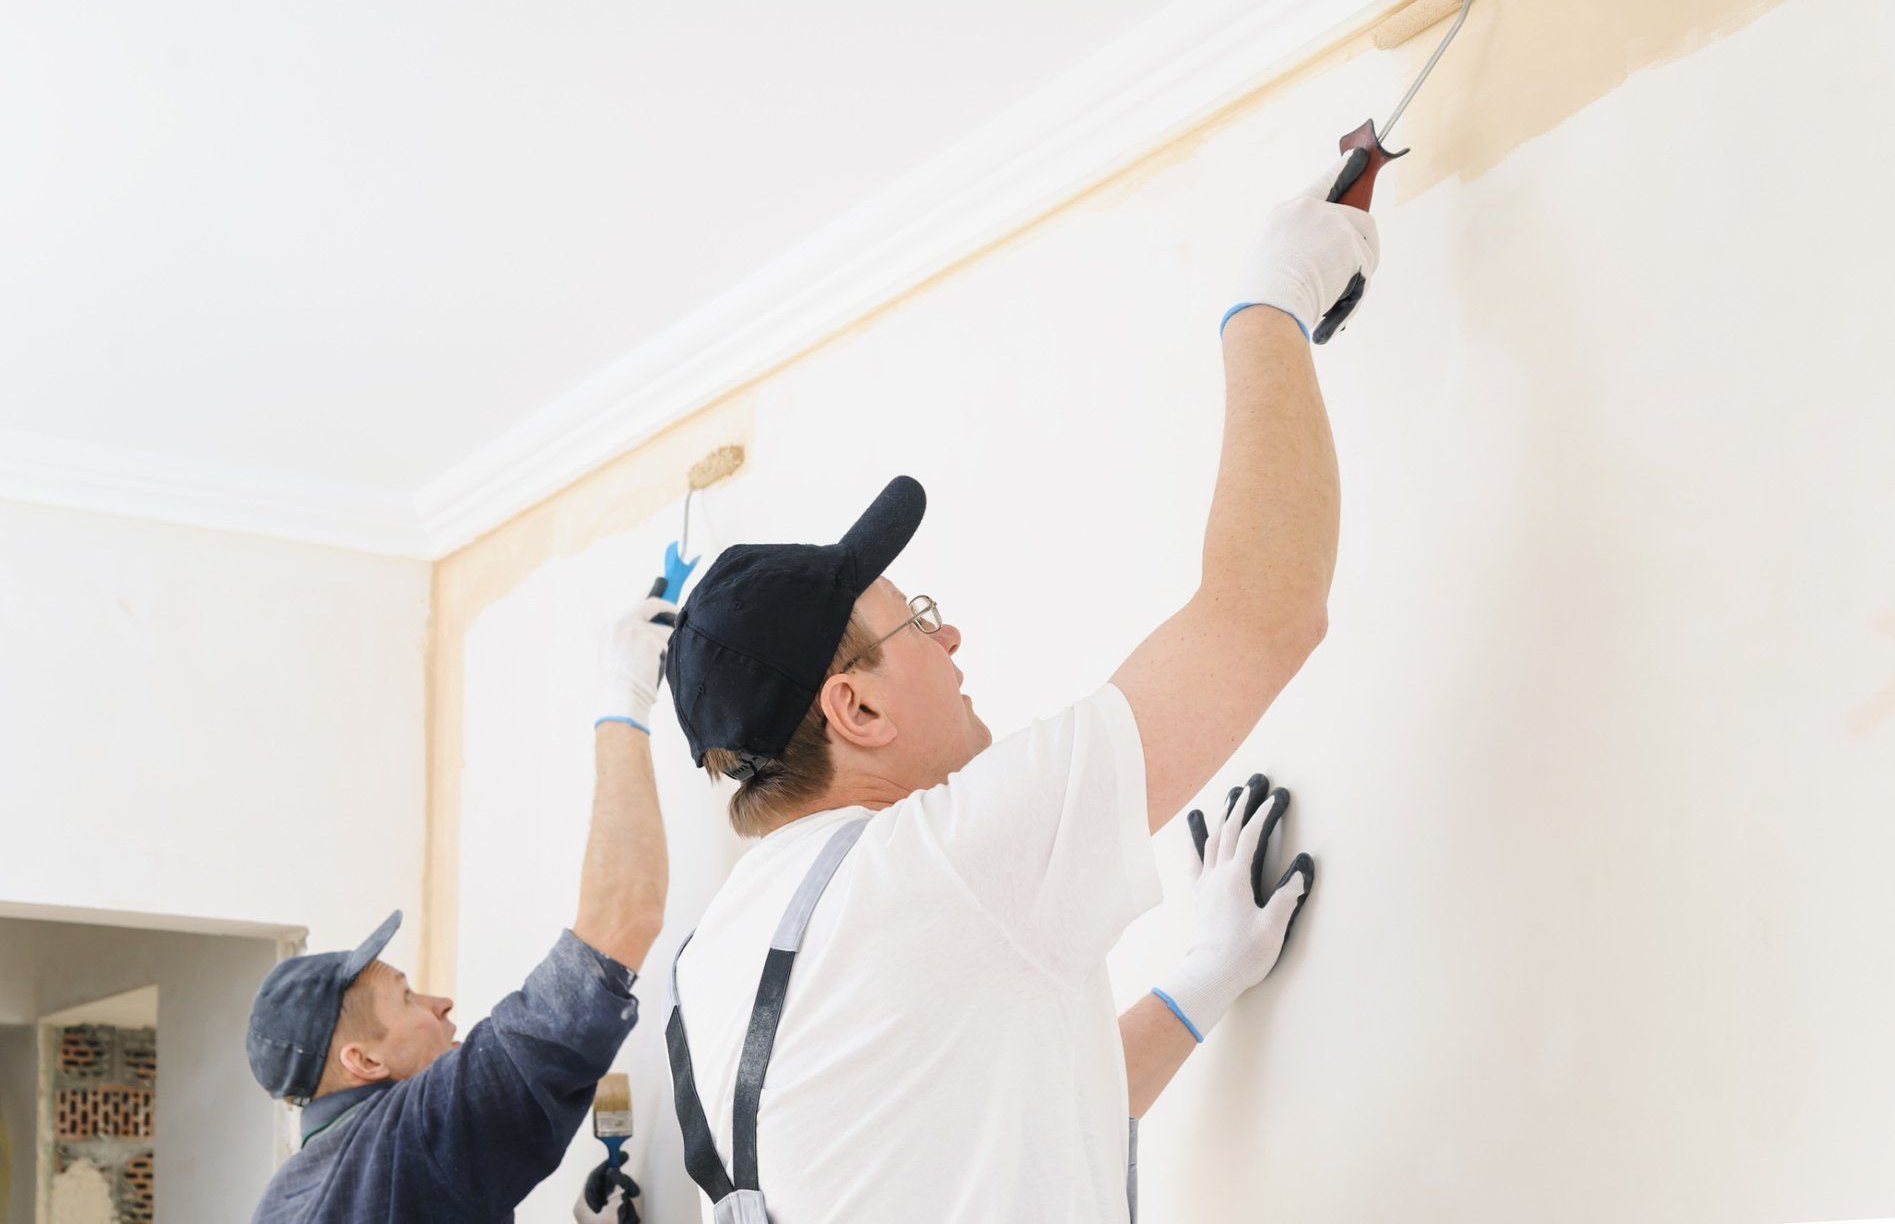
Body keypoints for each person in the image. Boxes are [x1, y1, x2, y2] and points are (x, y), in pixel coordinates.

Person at [655, 156, 1378, 1221]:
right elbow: (1263, 613)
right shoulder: (938, 866)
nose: (953, 638)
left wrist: (1206, 978)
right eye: (918, 622)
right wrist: (1271, 306)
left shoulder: (719, 956)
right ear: (854, 708)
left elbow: (1016, 1116)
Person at [243, 594, 677, 1223]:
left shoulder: (285, 1199)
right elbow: (622, 918)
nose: (440, 1003)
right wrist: (624, 696)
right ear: (363, 1061)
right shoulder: (412, 1135)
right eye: (408, 997)